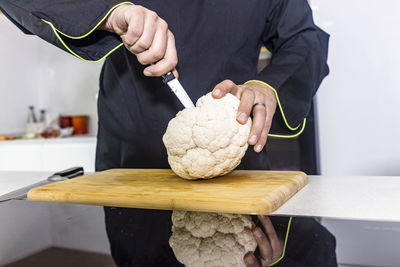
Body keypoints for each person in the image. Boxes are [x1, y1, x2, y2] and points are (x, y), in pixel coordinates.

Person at [0, 0, 337, 266]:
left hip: (235, 173)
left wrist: (268, 86)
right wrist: (111, 13)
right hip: (131, 168)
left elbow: (304, 38)